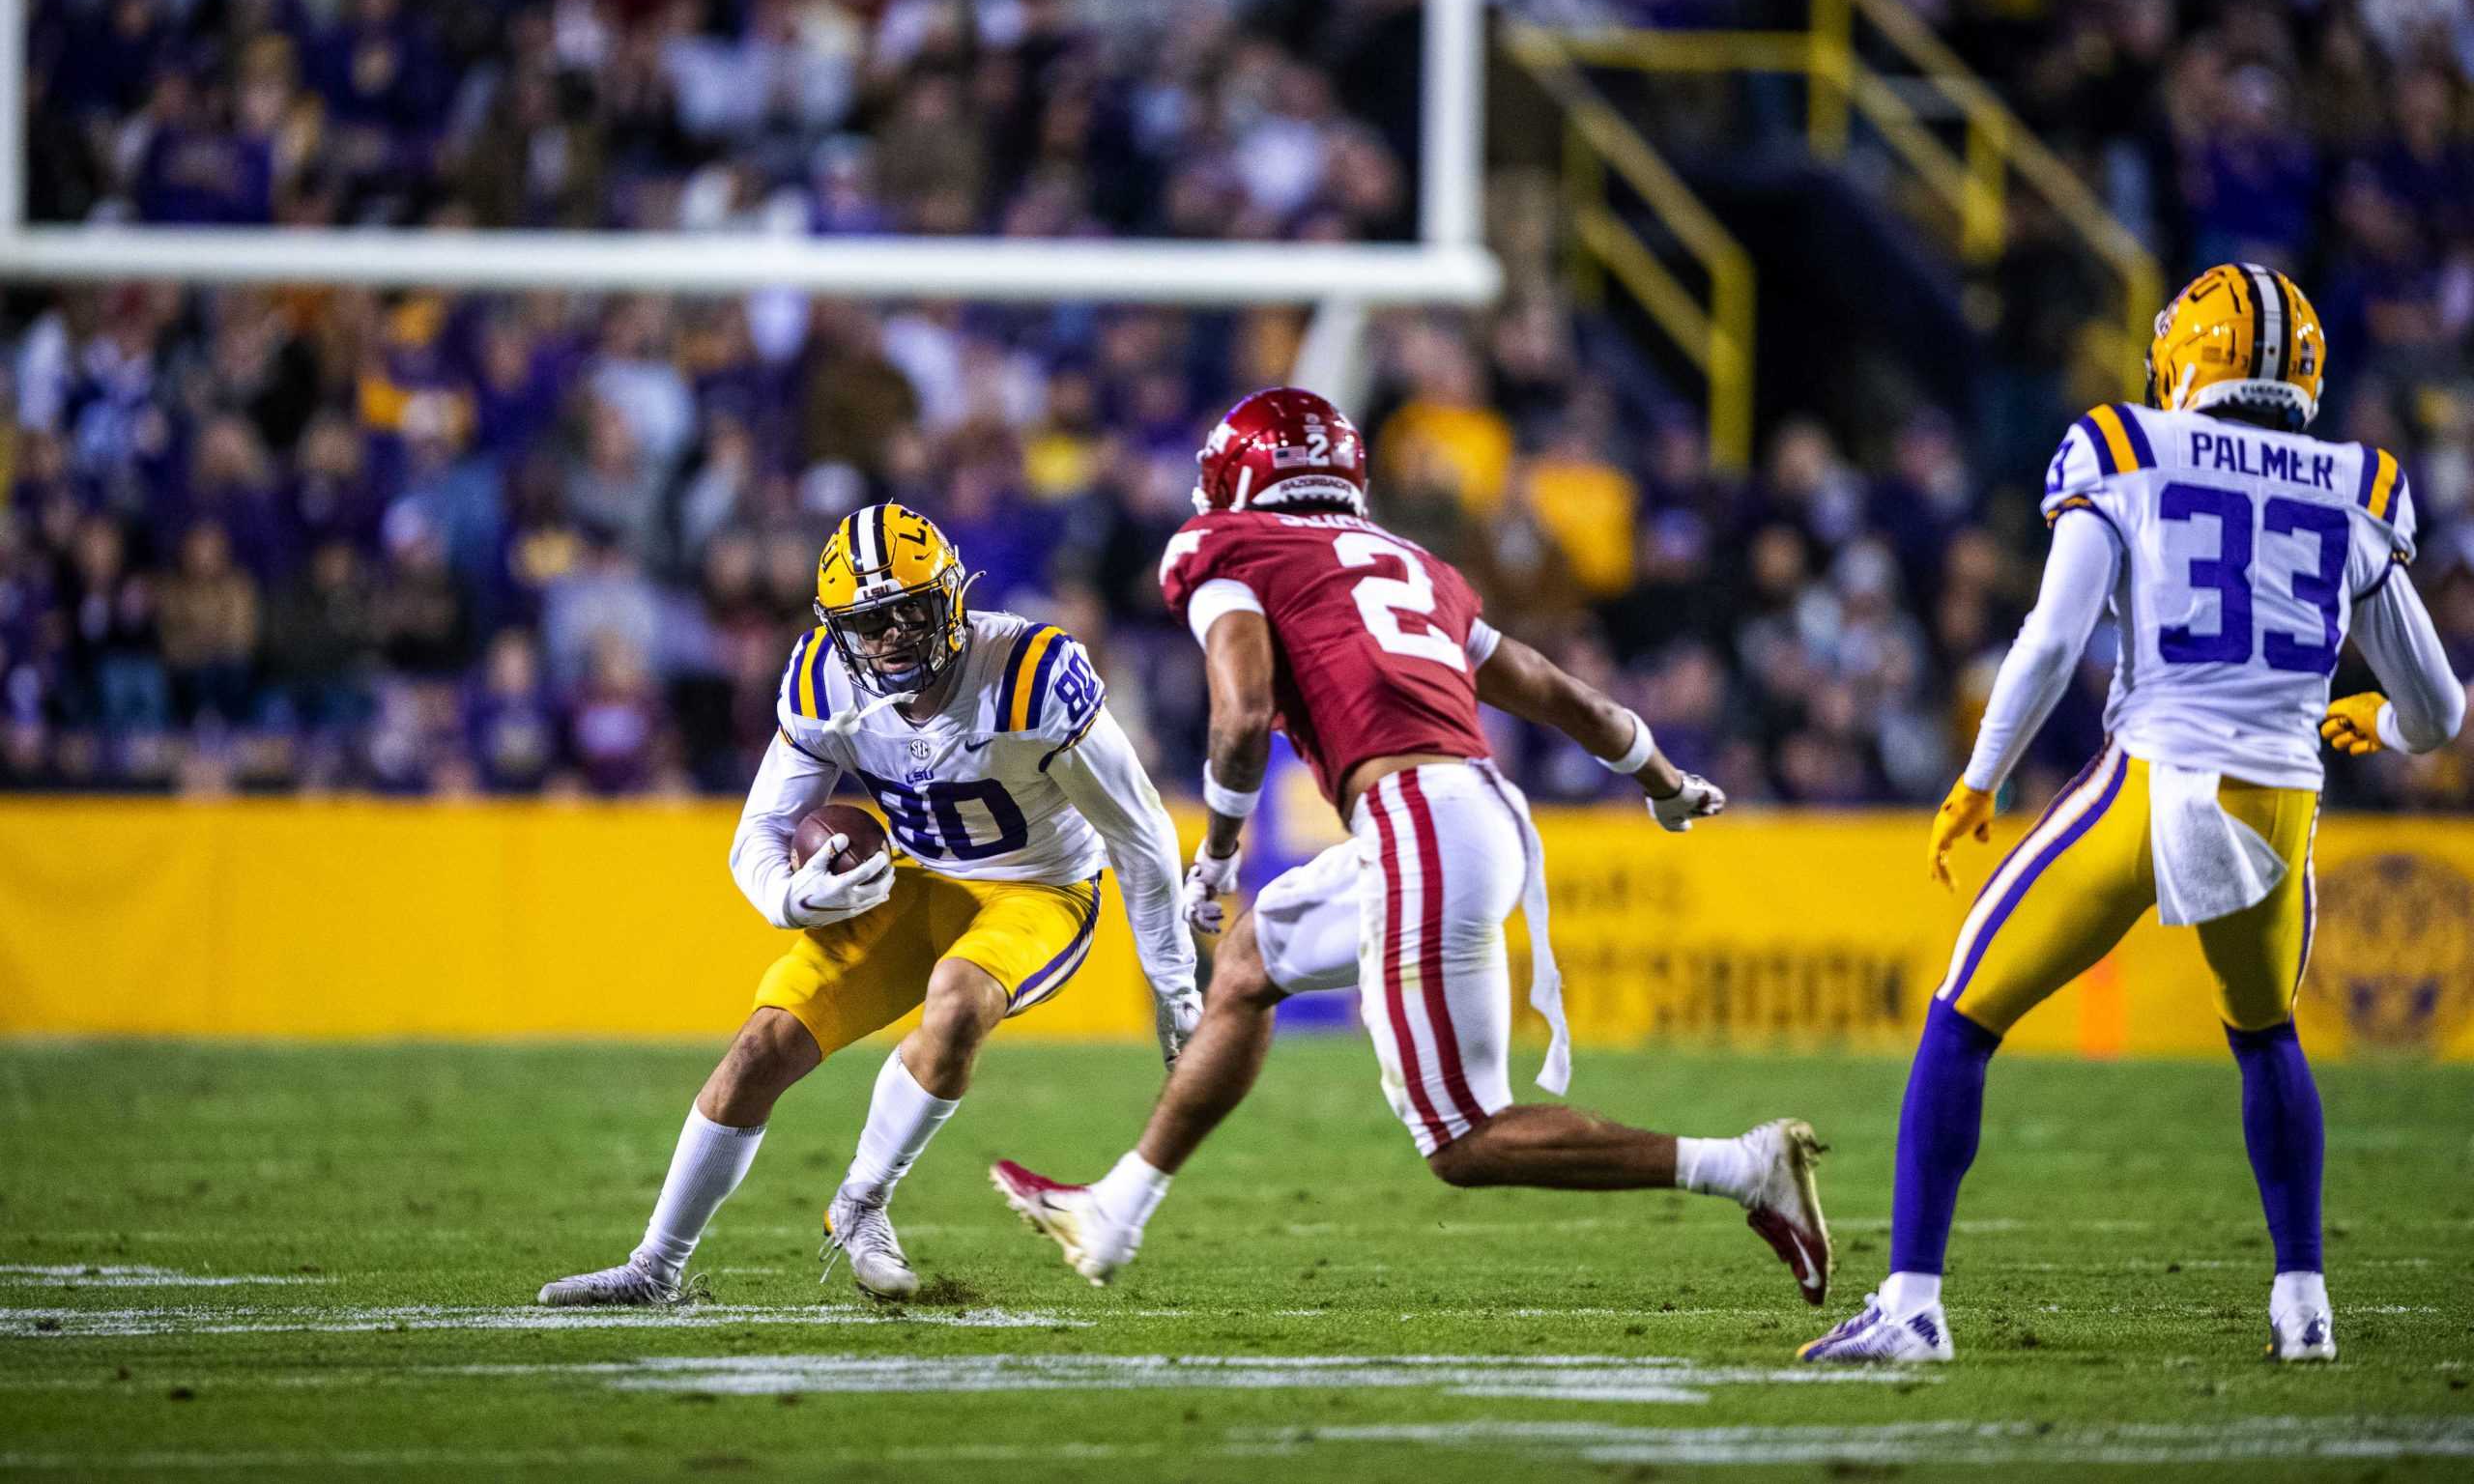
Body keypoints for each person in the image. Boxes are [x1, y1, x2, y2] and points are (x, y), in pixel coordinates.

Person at [992, 388, 1833, 1304]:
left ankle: (1745, 1166)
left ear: (1240, 477)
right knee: (1245, 966)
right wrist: (1664, 780)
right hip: (1462, 810)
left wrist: (1222, 851)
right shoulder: (1414, 563)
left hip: (1419, 821)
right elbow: (1558, 693)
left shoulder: (1224, 548)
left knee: (1464, 1138)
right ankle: (1116, 1210)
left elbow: (1239, 717)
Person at [1799, 265, 2466, 1366]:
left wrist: (1978, 779)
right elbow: (2438, 710)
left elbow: (2053, 640)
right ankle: (2304, 1310)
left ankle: (1912, 1304)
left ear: (2183, 356)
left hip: (2152, 777)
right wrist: (2379, 730)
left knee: (1963, 1017)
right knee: (2264, 1039)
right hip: (2280, 804)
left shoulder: (2127, 446)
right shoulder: (2359, 481)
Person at [537, 503, 1201, 1304]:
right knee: (759, 1049)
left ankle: (860, 1201)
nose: (889, 636)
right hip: (914, 876)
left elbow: (1141, 832)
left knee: (957, 1004)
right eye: (870, 621)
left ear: (951, 599)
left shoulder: (1029, 673)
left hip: (1041, 887)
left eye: (909, 612)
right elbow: (761, 828)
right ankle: (654, 1267)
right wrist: (788, 896)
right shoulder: (824, 675)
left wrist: (1173, 983)